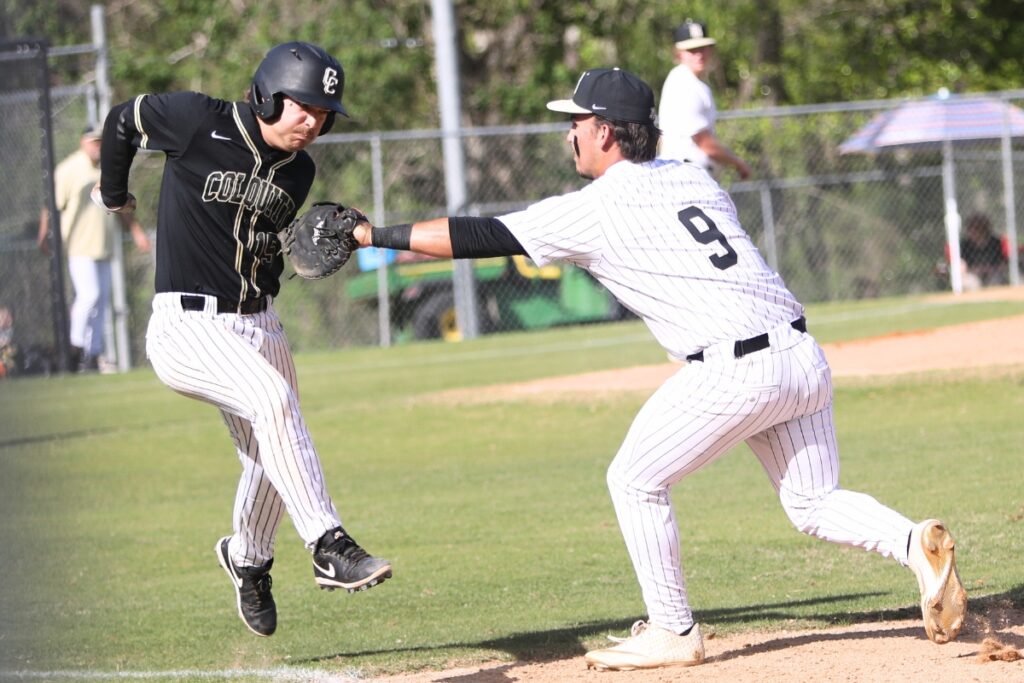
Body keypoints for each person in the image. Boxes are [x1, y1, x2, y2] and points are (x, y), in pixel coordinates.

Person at [348, 67, 966, 670]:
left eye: (578, 122)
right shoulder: (690, 178)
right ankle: (914, 543)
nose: (570, 134)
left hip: (734, 370)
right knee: (812, 501)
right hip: (801, 355)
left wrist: (372, 233)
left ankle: (673, 629)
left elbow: (481, 235)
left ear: (607, 133)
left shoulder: (597, 206)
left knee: (634, 480)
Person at [90, 41, 392, 638]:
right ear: (265, 93)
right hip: (186, 324)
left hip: (261, 322)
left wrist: (306, 252)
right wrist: (113, 191)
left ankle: (248, 561)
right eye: (302, 105)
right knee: (274, 404)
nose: (314, 120)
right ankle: (329, 543)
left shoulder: (299, 171)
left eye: (324, 112)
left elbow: (257, 245)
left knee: (271, 452)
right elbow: (123, 119)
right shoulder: (198, 120)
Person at [38, 126, 152, 372]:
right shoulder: (69, 169)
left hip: (104, 246)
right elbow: (51, 205)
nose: (97, 147)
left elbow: (119, 204)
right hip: (78, 247)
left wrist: (136, 231)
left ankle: (93, 354)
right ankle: (75, 347)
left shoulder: (106, 169)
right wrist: (44, 235)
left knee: (100, 302)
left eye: (101, 142)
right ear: (83, 142)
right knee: (88, 296)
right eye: (93, 142)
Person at [657, 20, 751, 180]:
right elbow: (703, 142)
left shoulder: (694, 82)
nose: (699, 54)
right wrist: (737, 162)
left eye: (702, 48)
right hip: (685, 174)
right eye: (692, 50)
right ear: (678, 53)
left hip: (690, 174)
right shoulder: (683, 82)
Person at [959, 213, 1007, 290]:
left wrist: (989, 269)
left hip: (993, 273)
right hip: (972, 274)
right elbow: (962, 265)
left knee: (996, 281)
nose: (974, 230)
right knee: (970, 282)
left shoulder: (995, 242)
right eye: (972, 227)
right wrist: (974, 270)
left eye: (978, 227)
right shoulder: (965, 245)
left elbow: (1003, 263)